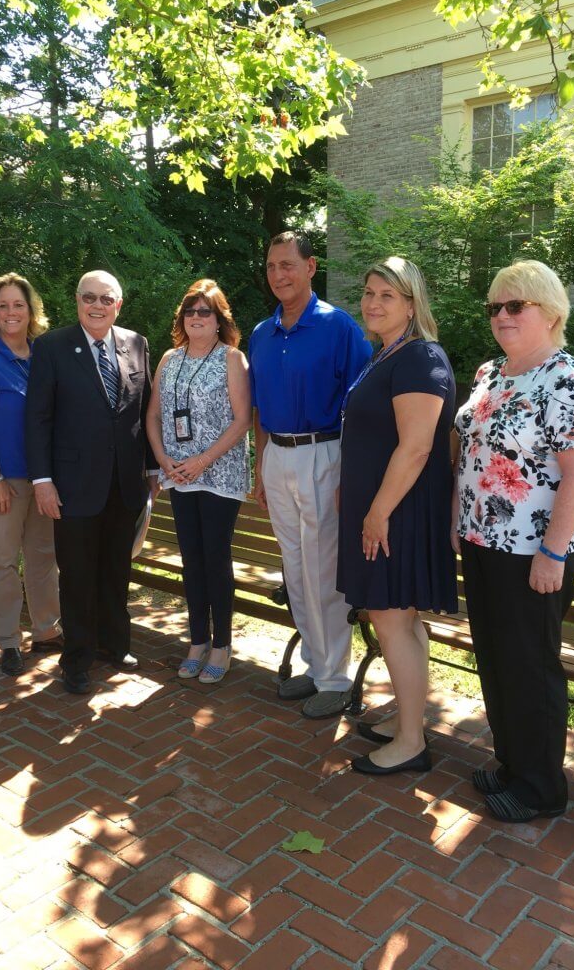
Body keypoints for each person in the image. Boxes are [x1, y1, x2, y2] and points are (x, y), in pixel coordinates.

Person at [453, 259, 574, 822]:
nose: (502, 315)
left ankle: (542, 788)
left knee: (531, 666)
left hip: (531, 553)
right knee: (497, 658)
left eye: (516, 305)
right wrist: (456, 518)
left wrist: (553, 552)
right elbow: (470, 456)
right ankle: (513, 765)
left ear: (551, 311)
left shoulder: (566, 378)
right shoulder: (491, 374)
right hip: (482, 541)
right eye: (495, 306)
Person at [338, 257, 457, 775]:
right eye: (368, 293)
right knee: (399, 620)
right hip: (382, 507)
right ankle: (410, 720)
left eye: (387, 295)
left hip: (398, 511)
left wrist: (378, 511)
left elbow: (416, 447)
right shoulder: (386, 354)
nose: (372, 303)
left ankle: (411, 743)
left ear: (411, 303)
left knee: (391, 619)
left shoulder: (419, 358)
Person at [249, 231, 372, 718]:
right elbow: (259, 410)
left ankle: (336, 679)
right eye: (271, 266)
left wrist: (350, 474)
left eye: (287, 265)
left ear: (310, 266)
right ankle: (315, 666)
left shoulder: (338, 327)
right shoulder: (262, 333)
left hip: (325, 453)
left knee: (323, 570)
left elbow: (361, 410)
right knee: (295, 568)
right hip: (277, 457)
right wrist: (261, 467)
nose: (278, 274)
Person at [25, 270, 157, 695]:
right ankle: (77, 659)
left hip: (124, 484)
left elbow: (145, 410)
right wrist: (42, 480)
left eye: (106, 299)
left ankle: (114, 646)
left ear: (118, 305)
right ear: (77, 301)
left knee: (116, 570)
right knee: (78, 575)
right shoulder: (51, 348)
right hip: (72, 485)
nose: (96, 305)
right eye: (89, 297)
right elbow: (37, 419)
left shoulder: (136, 344)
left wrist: (153, 469)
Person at [146, 280, 251, 684]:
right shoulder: (170, 359)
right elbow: (153, 415)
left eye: (204, 311)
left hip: (218, 475)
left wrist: (202, 460)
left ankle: (221, 646)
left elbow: (243, 419)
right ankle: (196, 641)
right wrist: (162, 458)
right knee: (191, 560)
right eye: (189, 311)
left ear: (218, 317)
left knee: (215, 558)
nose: (195, 318)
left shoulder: (232, 358)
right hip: (178, 475)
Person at [0, 273, 62, 677]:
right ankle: (8, 642)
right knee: (3, 562)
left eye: (17, 304)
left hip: (40, 478)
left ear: (31, 310)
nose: (10, 312)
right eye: (2, 305)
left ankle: (46, 631)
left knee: (42, 557)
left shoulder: (43, 355)